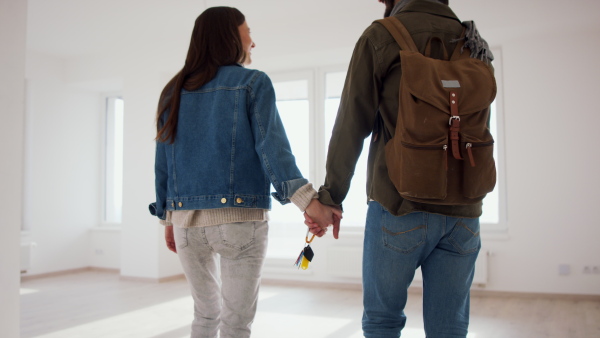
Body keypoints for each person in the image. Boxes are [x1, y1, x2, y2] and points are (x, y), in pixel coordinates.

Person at [305, 0, 494, 337]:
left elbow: (351, 124)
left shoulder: (382, 36)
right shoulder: (473, 41)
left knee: (383, 321)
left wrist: (331, 197)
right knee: (450, 327)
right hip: (465, 211)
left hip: (399, 205)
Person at [148, 7, 340, 338]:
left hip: (186, 227)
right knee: (236, 324)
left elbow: (164, 161)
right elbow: (273, 150)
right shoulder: (253, 83)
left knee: (204, 317)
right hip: (239, 223)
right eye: (247, 31)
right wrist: (311, 203)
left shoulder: (172, 90)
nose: (253, 41)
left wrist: (168, 218)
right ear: (230, 36)